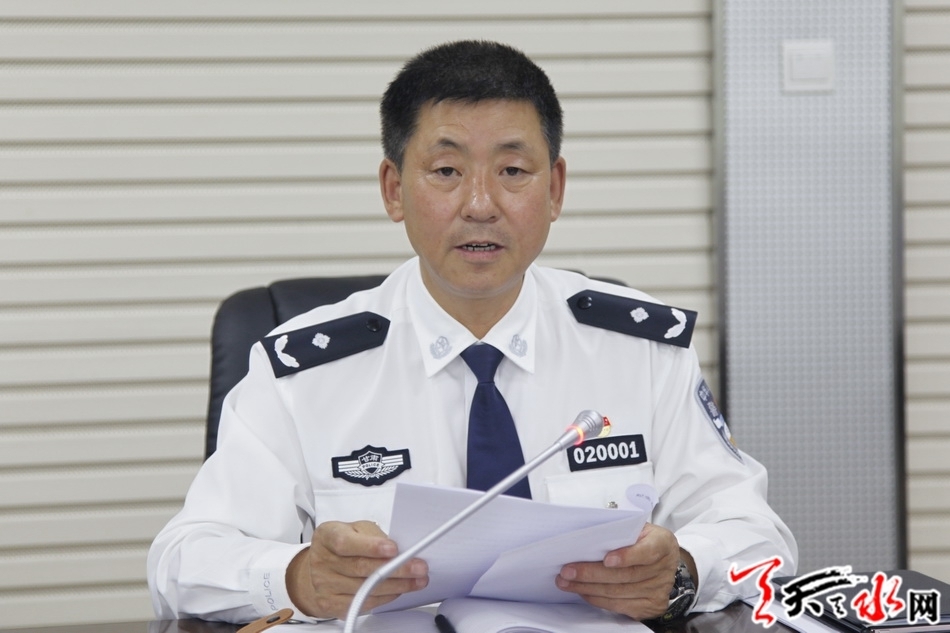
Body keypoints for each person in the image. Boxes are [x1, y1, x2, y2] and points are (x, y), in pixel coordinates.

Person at [148, 39, 797, 625]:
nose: (481, 204)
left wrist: (682, 573)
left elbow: (758, 536)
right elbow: (183, 559)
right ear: (394, 189)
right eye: (446, 171)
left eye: (512, 171)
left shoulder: (640, 351)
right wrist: (298, 577)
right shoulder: (305, 370)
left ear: (555, 189)